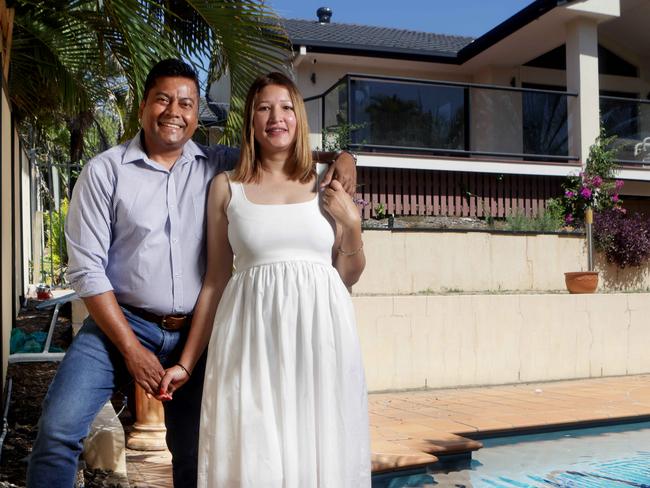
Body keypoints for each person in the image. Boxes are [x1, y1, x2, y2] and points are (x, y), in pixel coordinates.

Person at [26, 59, 357, 488]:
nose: (173, 111)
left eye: (186, 102)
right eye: (163, 99)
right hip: (121, 324)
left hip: (198, 330)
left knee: (199, 449)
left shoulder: (217, 164)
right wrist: (131, 349)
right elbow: (87, 270)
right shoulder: (104, 171)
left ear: (197, 114)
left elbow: (283, 152)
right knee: (57, 431)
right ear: (143, 106)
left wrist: (346, 157)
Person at [158, 72, 371, 487]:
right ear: (251, 121)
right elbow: (216, 280)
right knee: (254, 453)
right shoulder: (226, 187)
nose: (277, 117)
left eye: (287, 107)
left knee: (317, 446)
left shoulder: (325, 184)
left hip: (319, 338)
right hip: (249, 342)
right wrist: (187, 362)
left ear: (300, 119)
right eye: (264, 108)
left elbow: (347, 275)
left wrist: (353, 226)